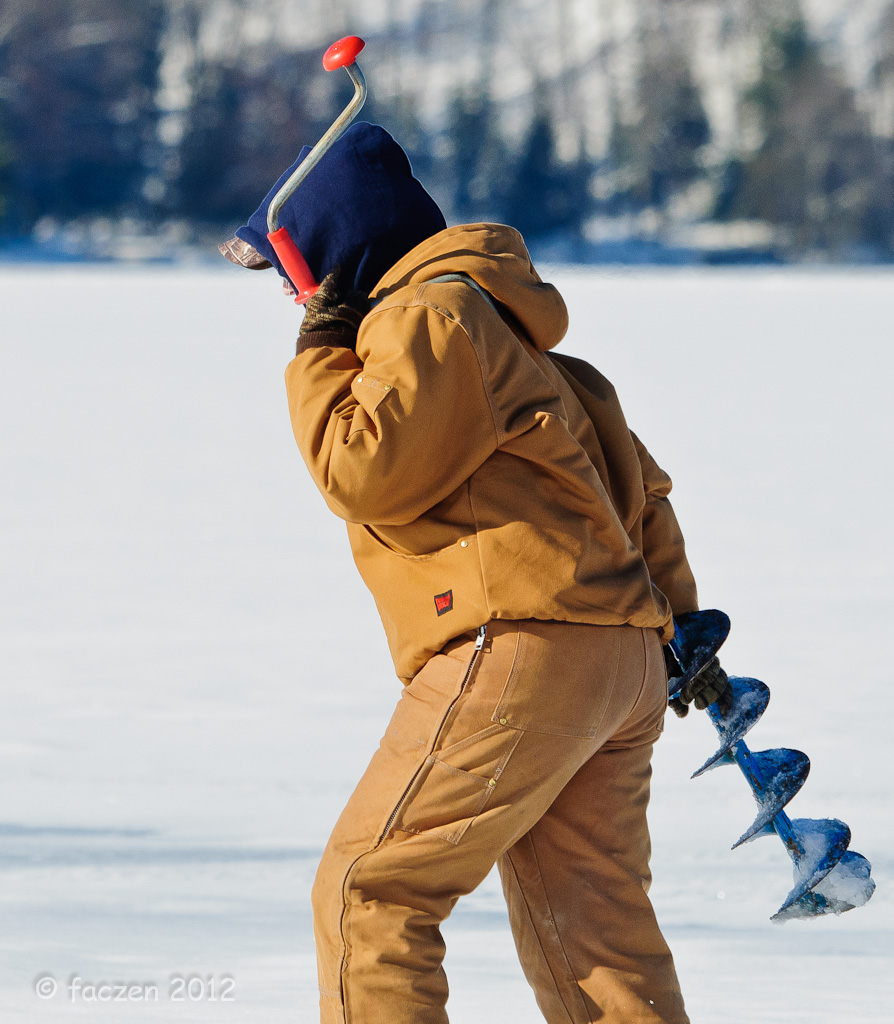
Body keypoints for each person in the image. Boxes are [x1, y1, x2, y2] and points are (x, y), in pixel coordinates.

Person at [220, 121, 730, 1024]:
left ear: (335, 258)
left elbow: (363, 469)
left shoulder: (426, 316)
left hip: (517, 649)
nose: (290, 300)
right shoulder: (529, 343)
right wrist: (683, 628)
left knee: (370, 891)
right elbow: (640, 496)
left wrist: (319, 359)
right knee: (594, 936)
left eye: (292, 277)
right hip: (619, 661)